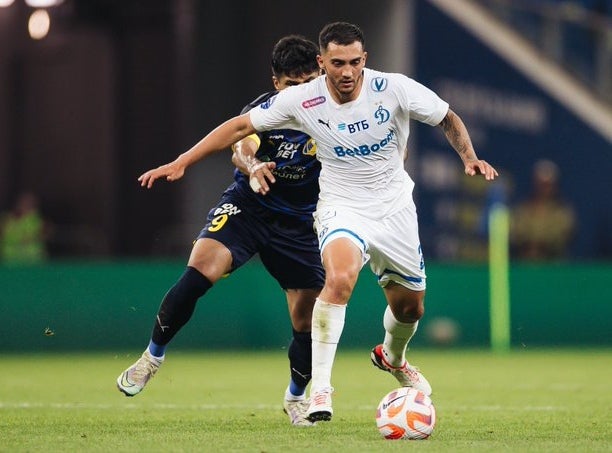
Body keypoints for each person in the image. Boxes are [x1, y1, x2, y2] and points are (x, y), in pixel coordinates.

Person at [137, 22, 499, 423]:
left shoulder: (393, 88)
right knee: (339, 279)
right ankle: (319, 392)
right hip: (334, 207)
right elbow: (241, 132)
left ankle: (392, 357)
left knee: (410, 308)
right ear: (322, 62)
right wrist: (183, 161)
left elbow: (447, 116)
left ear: (365, 60)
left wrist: (469, 157)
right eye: (337, 63)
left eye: (355, 62)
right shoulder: (301, 100)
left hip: (390, 209)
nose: (346, 72)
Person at [116, 35, 323, 427]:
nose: (303, 91)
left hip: (300, 223)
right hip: (249, 206)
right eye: (293, 85)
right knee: (201, 267)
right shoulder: (266, 111)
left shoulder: (332, 112)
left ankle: (296, 397)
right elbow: (241, 143)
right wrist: (251, 166)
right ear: (277, 84)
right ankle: (151, 357)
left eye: (310, 81)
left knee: (306, 320)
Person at [511, 159, 575, 260]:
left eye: (548, 185)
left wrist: (540, 244)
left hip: (553, 265)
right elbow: (516, 233)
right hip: (524, 264)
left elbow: (562, 236)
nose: (544, 189)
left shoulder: (562, 212)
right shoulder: (522, 209)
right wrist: (530, 245)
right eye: (541, 184)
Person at [0, 191, 48, 264]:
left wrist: (34, 238)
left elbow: (46, 234)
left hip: (32, 260)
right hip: (9, 260)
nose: (26, 204)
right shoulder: (6, 218)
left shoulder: (37, 219)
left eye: (30, 202)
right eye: (24, 201)